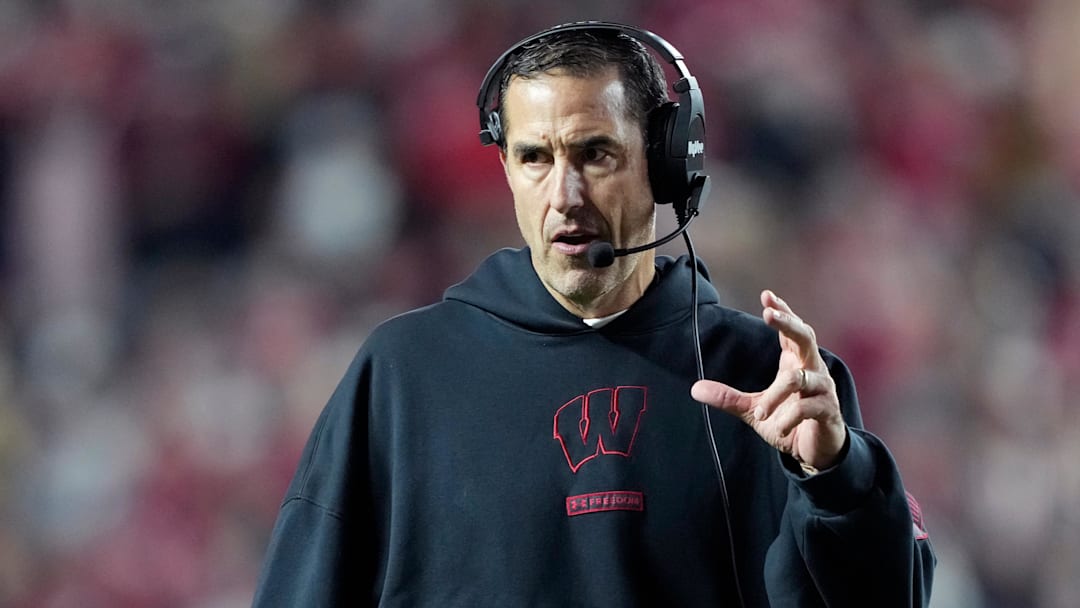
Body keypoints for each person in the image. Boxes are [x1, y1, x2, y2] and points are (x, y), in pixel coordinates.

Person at [252, 22, 935, 607]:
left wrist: (838, 478)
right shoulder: (401, 377)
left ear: (668, 164)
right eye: (534, 158)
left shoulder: (775, 381)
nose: (565, 193)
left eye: (595, 153)